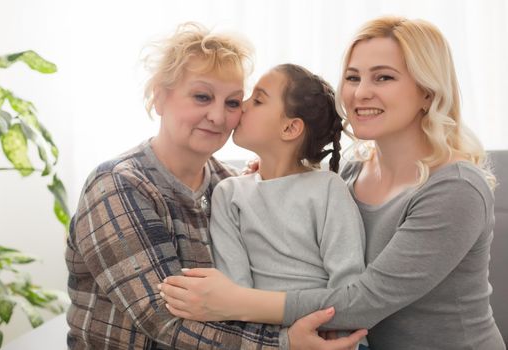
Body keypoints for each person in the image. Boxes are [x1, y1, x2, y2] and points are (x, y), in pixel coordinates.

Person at [159, 16, 506, 350]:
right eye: (353, 78)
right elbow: (291, 192)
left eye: (383, 78)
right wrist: (265, 172)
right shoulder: (351, 172)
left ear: (428, 93)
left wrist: (236, 302)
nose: (360, 93)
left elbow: (365, 301)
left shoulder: (455, 188)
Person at [65, 22, 366, 350]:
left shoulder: (230, 185)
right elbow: (163, 320)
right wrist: (284, 343)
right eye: (201, 96)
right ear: (160, 98)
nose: (218, 116)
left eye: (234, 102)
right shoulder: (118, 186)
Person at [202, 63, 368, 347]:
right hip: (267, 340)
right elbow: (235, 292)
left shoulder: (328, 188)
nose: (241, 106)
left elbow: (348, 279)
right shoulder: (228, 193)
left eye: (258, 99)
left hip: (332, 338)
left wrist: (338, 336)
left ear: (290, 127)